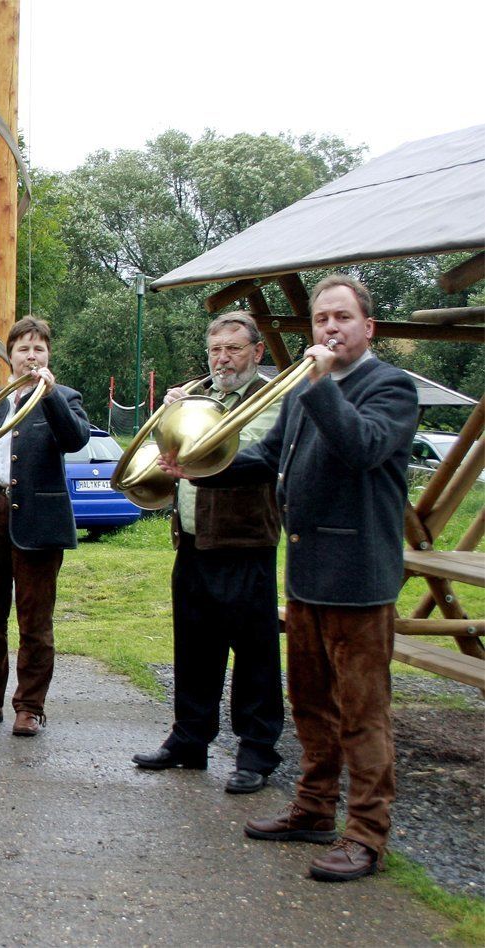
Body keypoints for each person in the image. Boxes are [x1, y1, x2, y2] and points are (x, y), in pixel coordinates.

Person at [162, 274, 416, 882]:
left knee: (362, 713)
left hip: (359, 580)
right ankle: (313, 808)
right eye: (321, 318)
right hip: (304, 576)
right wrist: (198, 466)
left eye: (342, 318)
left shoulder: (390, 387)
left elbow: (361, 447)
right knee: (311, 705)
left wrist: (320, 383)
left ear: (368, 328)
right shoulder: (307, 390)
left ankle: (367, 835)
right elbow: (267, 457)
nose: (329, 328)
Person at [132, 313, 284, 794]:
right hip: (194, 543)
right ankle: (190, 740)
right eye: (216, 349)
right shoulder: (199, 394)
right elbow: (166, 453)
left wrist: (188, 451)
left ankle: (256, 752)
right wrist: (169, 418)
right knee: (194, 648)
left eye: (234, 349)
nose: (223, 359)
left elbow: (255, 457)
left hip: (245, 543)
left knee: (254, 654)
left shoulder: (269, 397)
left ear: (257, 352)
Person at [0, 317, 89, 738]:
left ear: (48, 355)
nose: (31, 356)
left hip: (38, 523)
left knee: (35, 622)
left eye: (39, 349)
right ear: (9, 356)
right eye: (23, 349)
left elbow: (75, 439)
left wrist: (49, 396)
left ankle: (30, 706)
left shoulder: (64, 397)